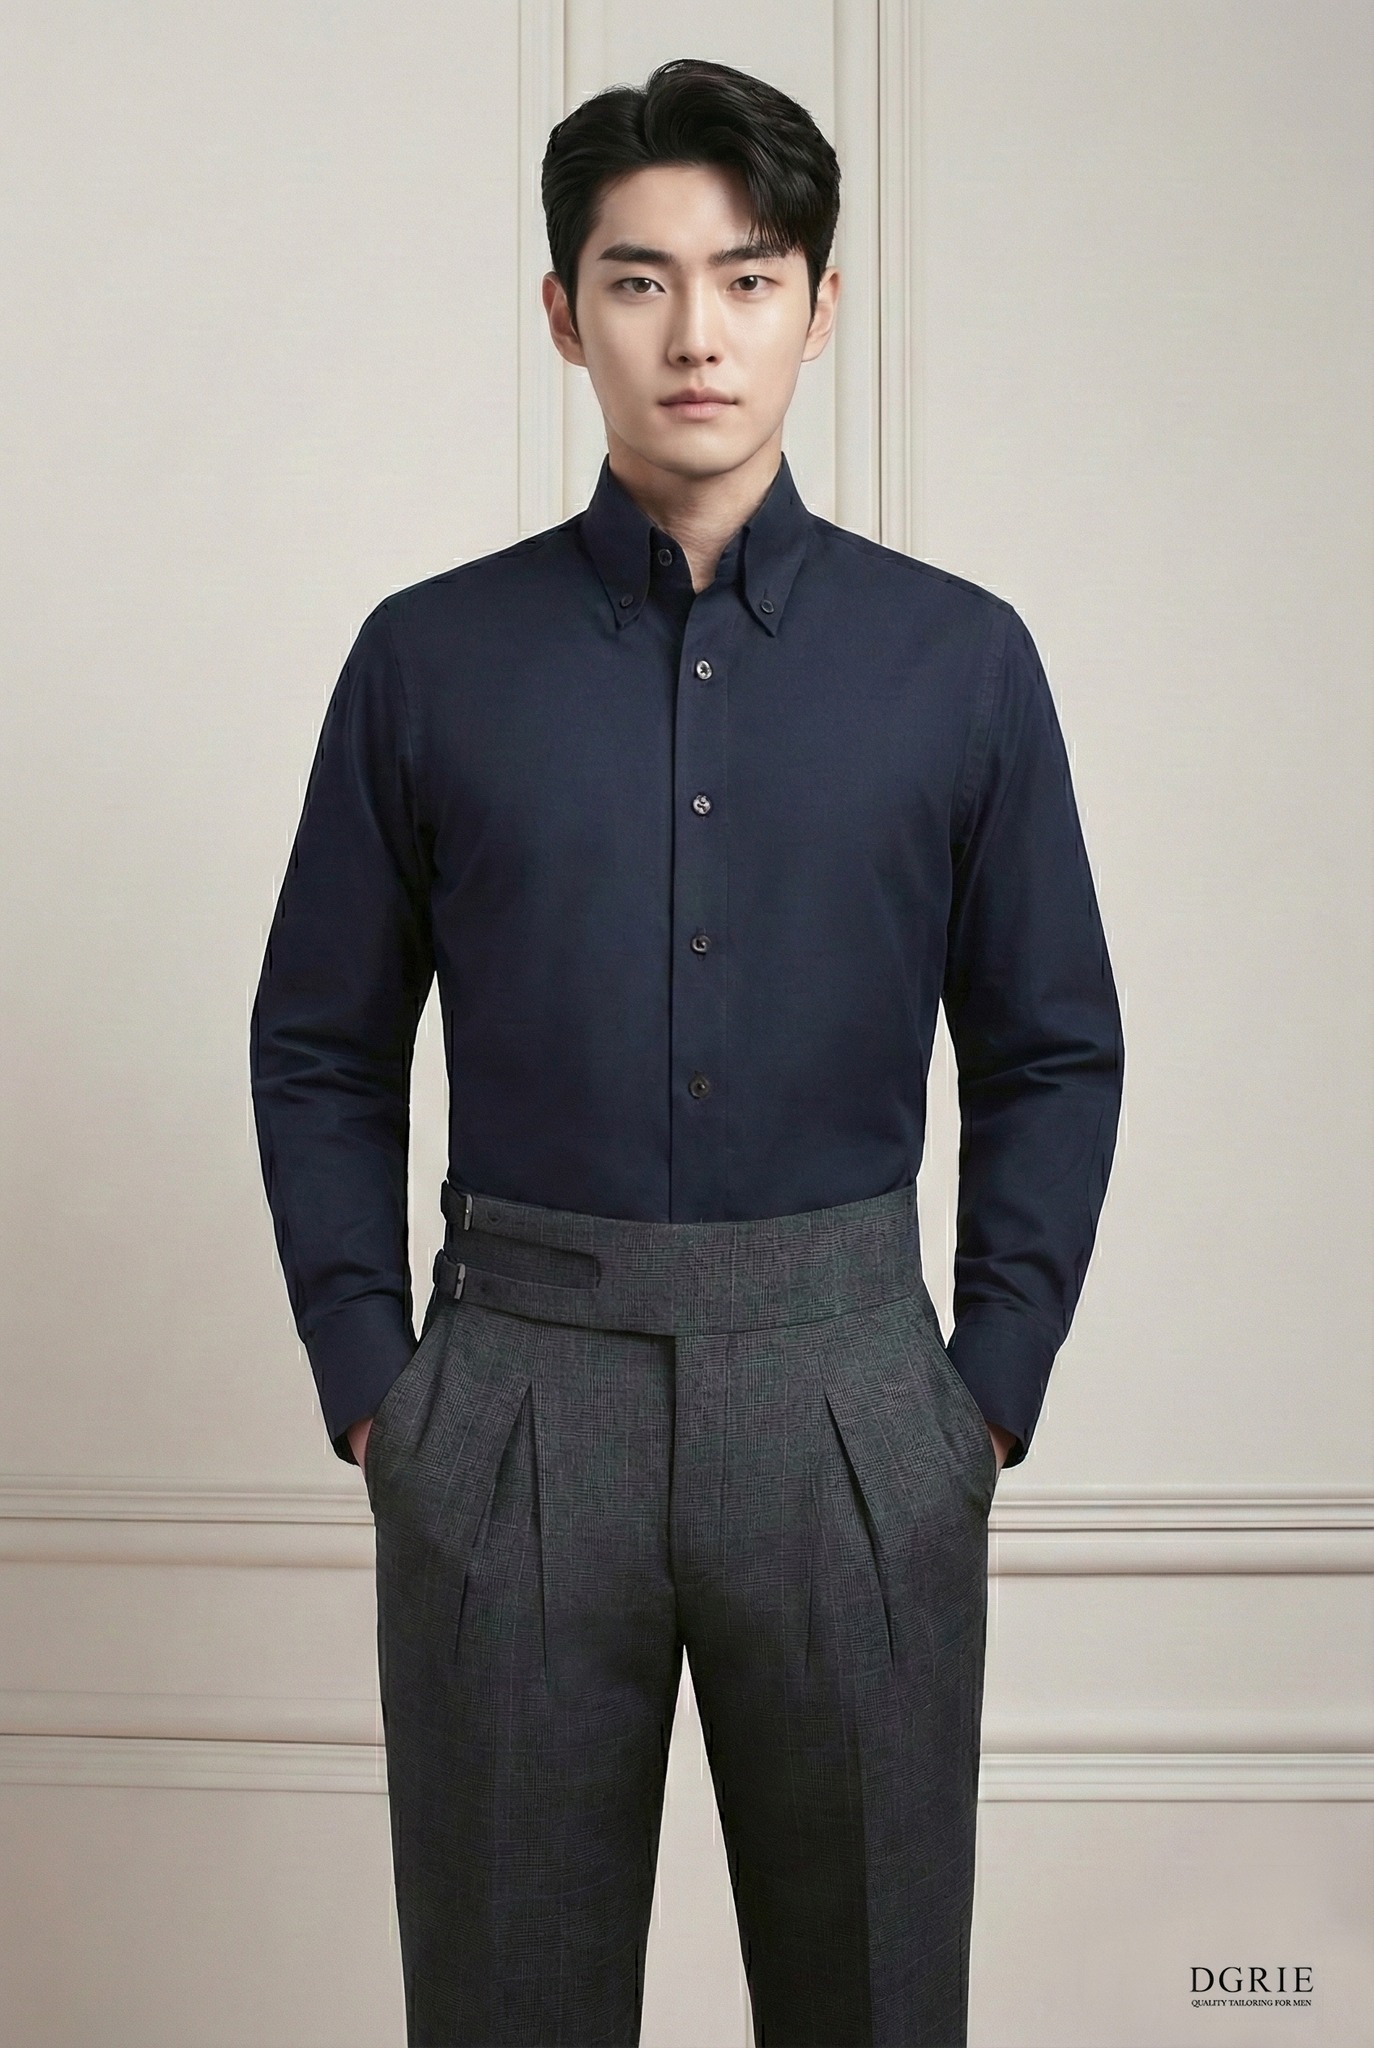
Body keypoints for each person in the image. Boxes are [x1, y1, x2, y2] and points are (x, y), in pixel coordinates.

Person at [249, 54, 1124, 2048]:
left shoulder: (960, 661)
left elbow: (1051, 1045)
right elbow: (321, 1040)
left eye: (747, 278)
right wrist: (377, 1387)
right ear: (565, 316)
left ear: (820, 304)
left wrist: (982, 1394)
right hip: (511, 1400)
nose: (697, 333)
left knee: (873, 2000)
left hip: (852, 1398)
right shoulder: (427, 658)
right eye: (639, 281)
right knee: (504, 2002)